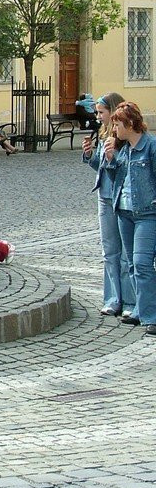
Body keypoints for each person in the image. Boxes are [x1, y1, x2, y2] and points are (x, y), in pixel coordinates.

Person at [104, 101, 156, 336]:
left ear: (130, 124)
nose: (114, 129)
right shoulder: (124, 149)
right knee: (133, 265)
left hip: (147, 214)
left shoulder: (150, 147)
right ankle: (139, 310)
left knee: (143, 264)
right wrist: (110, 159)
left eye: (117, 125)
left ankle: (151, 315)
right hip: (124, 213)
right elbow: (116, 177)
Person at [83, 92, 134, 318]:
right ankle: (112, 298)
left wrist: (113, 158)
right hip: (104, 196)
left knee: (125, 253)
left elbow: (124, 170)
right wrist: (91, 155)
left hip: (120, 199)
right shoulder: (104, 135)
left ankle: (130, 301)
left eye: (101, 112)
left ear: (113, 111)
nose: (98, 117)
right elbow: (103, 168)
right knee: (109, 251)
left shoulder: (125, 137)